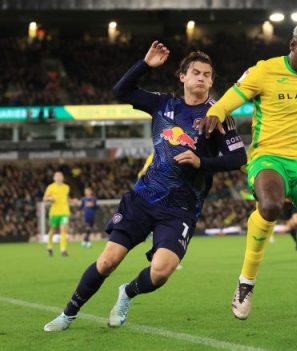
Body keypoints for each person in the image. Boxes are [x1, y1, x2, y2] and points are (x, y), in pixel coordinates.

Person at [44, 41, 246, 332]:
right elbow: (120, 91)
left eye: (207, 74)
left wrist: (202, 163)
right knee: (107, 260)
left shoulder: (218, 116)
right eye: (196, 72)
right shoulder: (163, 104)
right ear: (183, 76)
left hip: (180, 208)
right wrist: (144, 65)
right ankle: (68, 313)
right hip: (144, 198)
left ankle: (127, 293)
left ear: (211, 80)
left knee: (162, 271)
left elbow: (238, 157)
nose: (202, 78)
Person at [196, 21, 297, 325]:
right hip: (269, 157)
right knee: (270, 205)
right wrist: (215, 112)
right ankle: (246, 284)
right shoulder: (265, 71)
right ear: (293, 45)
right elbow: (233, 96)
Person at [43, 171, 71, 257]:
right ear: (54, 178)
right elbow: (44, 198)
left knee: (63, 230)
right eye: (57, 176)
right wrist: (50, 198)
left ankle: (63, 249)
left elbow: (66, 198)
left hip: (64, 212)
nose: (59, 178)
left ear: (63, 178)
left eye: (60, 176)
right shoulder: (50, 187)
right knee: (52, 230)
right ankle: (49, 247)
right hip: (54, 213)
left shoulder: (66, 187)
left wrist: (72, 201)